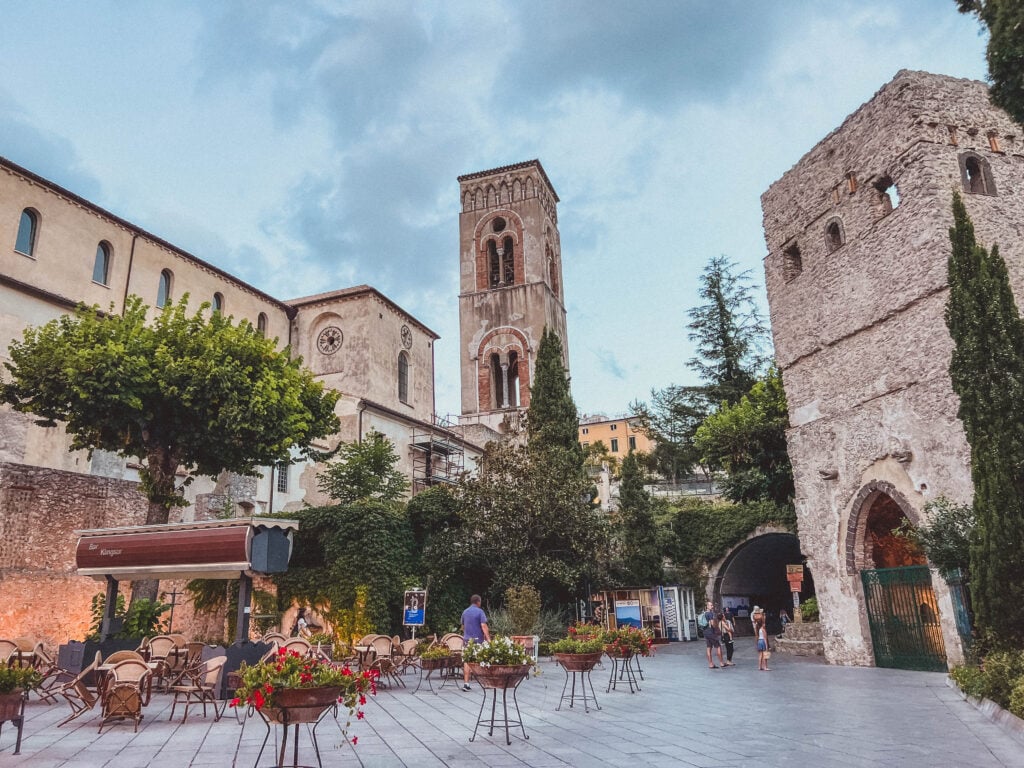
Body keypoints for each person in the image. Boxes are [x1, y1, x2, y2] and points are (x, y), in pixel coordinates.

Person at [461, 594, 490, 690]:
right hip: (478, 640)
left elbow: (463, 627)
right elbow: (483, 625)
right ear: (478, 602)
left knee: (467, 661)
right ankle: (486, 682)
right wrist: (488, 638)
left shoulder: (465, 612)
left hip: (466, 640)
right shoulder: (480, 612)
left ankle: (466, 684)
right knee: (483, 658)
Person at [702, 601, 725, 669]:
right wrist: (717, 628)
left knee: (709, 648)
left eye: (712, 605)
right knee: (718, 646)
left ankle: (710, 664)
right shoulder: (710, 614)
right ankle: (721, 663)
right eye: (711, 605)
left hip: (705, 632)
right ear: (707, 606)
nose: (712, 606)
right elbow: (712, 624)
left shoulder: (704, 613)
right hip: (711, 632)